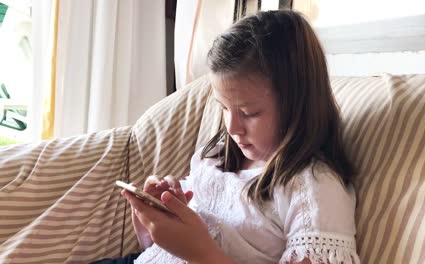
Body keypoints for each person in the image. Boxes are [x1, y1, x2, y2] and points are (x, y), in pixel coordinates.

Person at [95, 9, 359, 264]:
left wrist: (202, 254)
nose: (232, 128)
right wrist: (160, 217)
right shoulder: (219, 156)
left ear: (298, 103)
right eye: (223, 108)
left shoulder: (313, 192)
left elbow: (196, 251)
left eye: (249, 112)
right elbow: (162, 252)